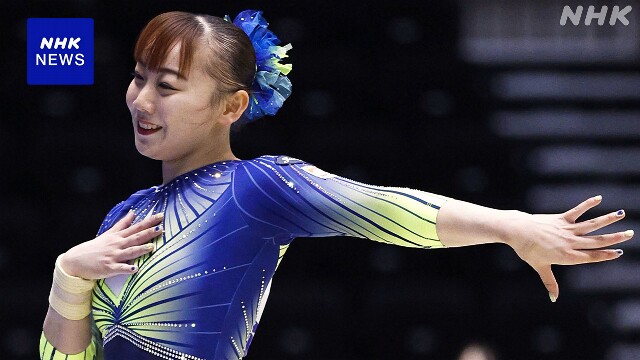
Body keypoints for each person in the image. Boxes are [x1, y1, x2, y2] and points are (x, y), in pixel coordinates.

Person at [39, 9, 633, 360]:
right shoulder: (126, 212)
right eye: (139, 78)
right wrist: (69, 274)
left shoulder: (258, 186)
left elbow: (385, 209)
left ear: (232, 106)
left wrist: (513, 227)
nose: (141, 99)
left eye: (166, 86)